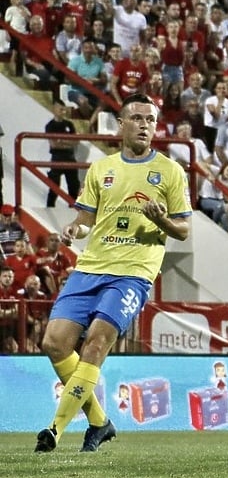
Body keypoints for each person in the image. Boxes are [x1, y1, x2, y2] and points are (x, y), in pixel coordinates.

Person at [34, 94, 191, 453]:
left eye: (150, 120)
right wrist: (75, 229)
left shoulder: (170, 171)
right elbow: (86, 221)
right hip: (90, 267)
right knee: (53, 343)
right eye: (137, 118)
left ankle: (55, 429)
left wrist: (161, 220)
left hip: (133, 272)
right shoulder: (101, 169)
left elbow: (182, 229)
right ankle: (100, 422)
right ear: (120, 125)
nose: (145, 125)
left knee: (97, 342)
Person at [44, 100, 80, 208]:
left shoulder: (69, 124)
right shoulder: (50, 126)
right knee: (54, 187)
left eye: (64, 109)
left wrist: (62, 141)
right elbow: (54, 144)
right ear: (54, 109)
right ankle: (49, 209)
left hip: (70, 157)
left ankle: (73, 210)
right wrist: (67, 142)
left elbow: (75, 141)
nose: (62, 112)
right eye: (60, 109)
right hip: (57, 158)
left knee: (73, 186)